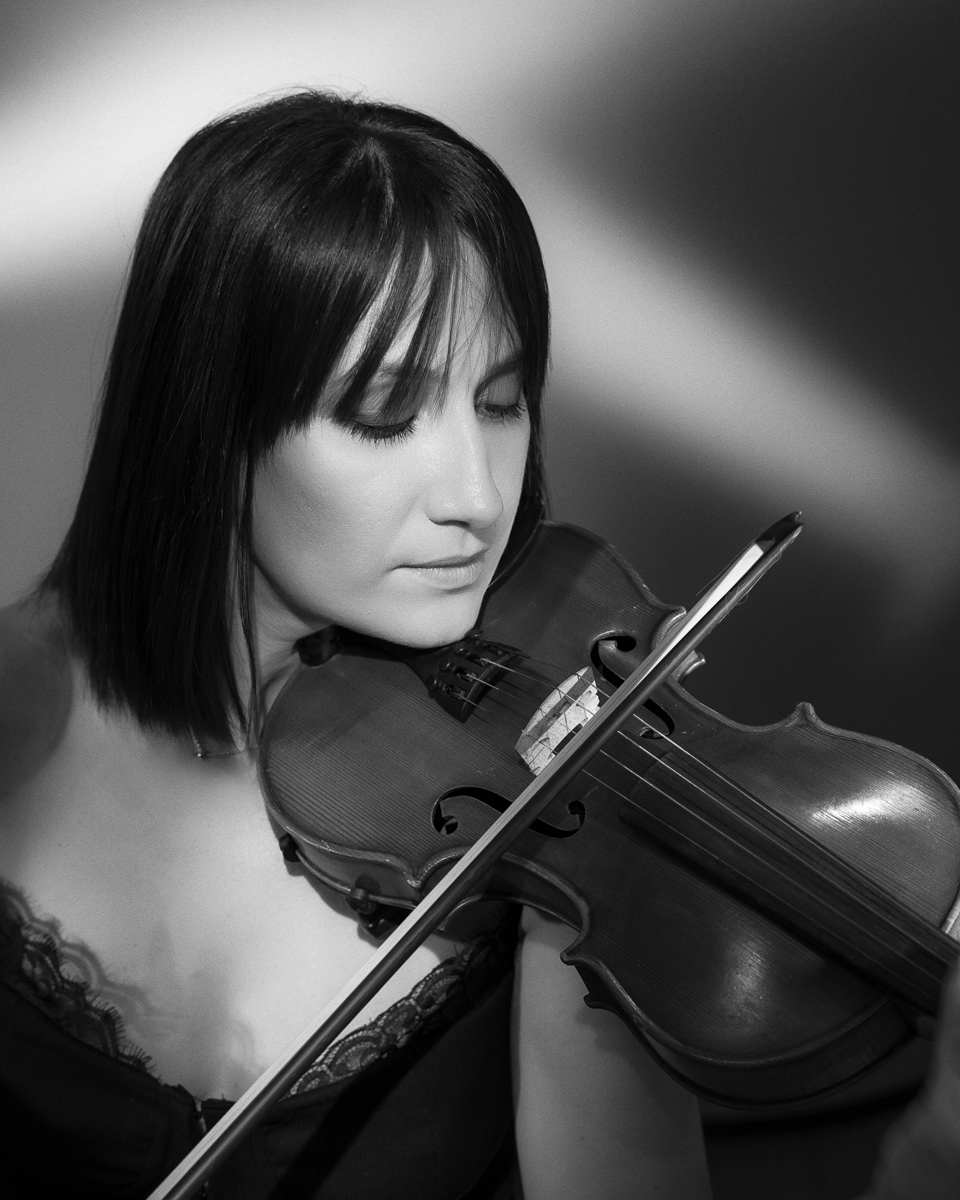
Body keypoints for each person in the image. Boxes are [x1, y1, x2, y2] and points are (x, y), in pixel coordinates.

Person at [0, 90, 956, 1200]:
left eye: (501, 404)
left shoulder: (555, 824)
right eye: (381, 416)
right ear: (211, 422)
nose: (476, 494)